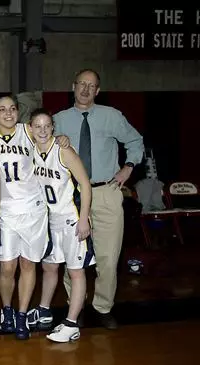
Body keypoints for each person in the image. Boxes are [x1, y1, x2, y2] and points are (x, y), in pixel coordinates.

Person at [53, 69, 144, 329]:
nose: (85, 89)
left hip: (106, 192)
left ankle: (103, 307)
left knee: (108, 256)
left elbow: (136, 141)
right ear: (73, 86)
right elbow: (38, 146)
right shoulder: (58, 120)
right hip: (72, 195)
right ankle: (75, 305)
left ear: (98, 91)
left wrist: (128, 165)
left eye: (91, 86)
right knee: (74, 256)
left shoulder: (112, 116)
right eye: (81, 84)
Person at [26, 108, 94, 342]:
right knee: (50, 267)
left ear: (53, 127)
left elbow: (85, 185)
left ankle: (72, 323)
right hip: (50, 219)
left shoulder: (63, 151)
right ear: (31, 129)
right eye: (38, 126)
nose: (43, 130)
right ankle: (44, 310)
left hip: (71, 218)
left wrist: (84, 218)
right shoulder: (33, 150)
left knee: (75, 271)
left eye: (47, 126)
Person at [0, 95, 51, 340]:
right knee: (7, 266)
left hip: (32, 209)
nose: (8, 113)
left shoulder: (29, 130)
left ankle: (23, 314)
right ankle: (7, 310)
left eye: (12, 109)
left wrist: (63, 139)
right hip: (5, 210)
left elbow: (50, 135)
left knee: (28, 264)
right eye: (2, 110)